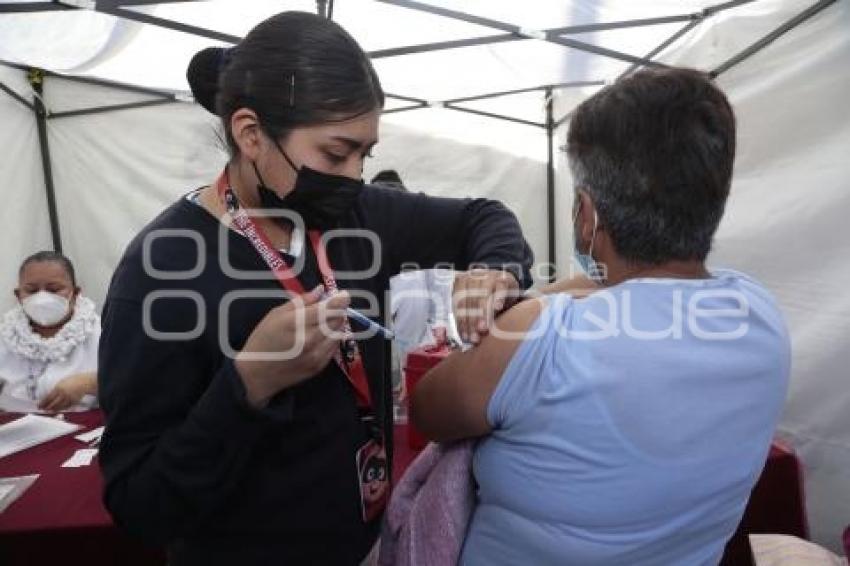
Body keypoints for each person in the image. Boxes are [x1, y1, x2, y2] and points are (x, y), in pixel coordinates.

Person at [97, 11, 533, 566]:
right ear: (251, 133)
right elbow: (141, 504)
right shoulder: (161, 268)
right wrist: (250, 382)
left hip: (370, 542)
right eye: (335, 153)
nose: (353, 175)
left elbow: (482, 216)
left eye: (364, 155)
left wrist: (494, 269)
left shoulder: (357, 214)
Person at [410, 67, 791, 565]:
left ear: (587, 215)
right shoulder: (759, 314)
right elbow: (636, 290)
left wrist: (526, 304)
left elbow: (426, 410)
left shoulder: (540, 338)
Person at [0, 251, 99, 412]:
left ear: (75, 293)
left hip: (83, 430)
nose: (42, 298)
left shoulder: (103, 334)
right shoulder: (5, 335)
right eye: (32, 291)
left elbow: (136, 380)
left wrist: (91, 382)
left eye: (53, 289)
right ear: (18, 296)